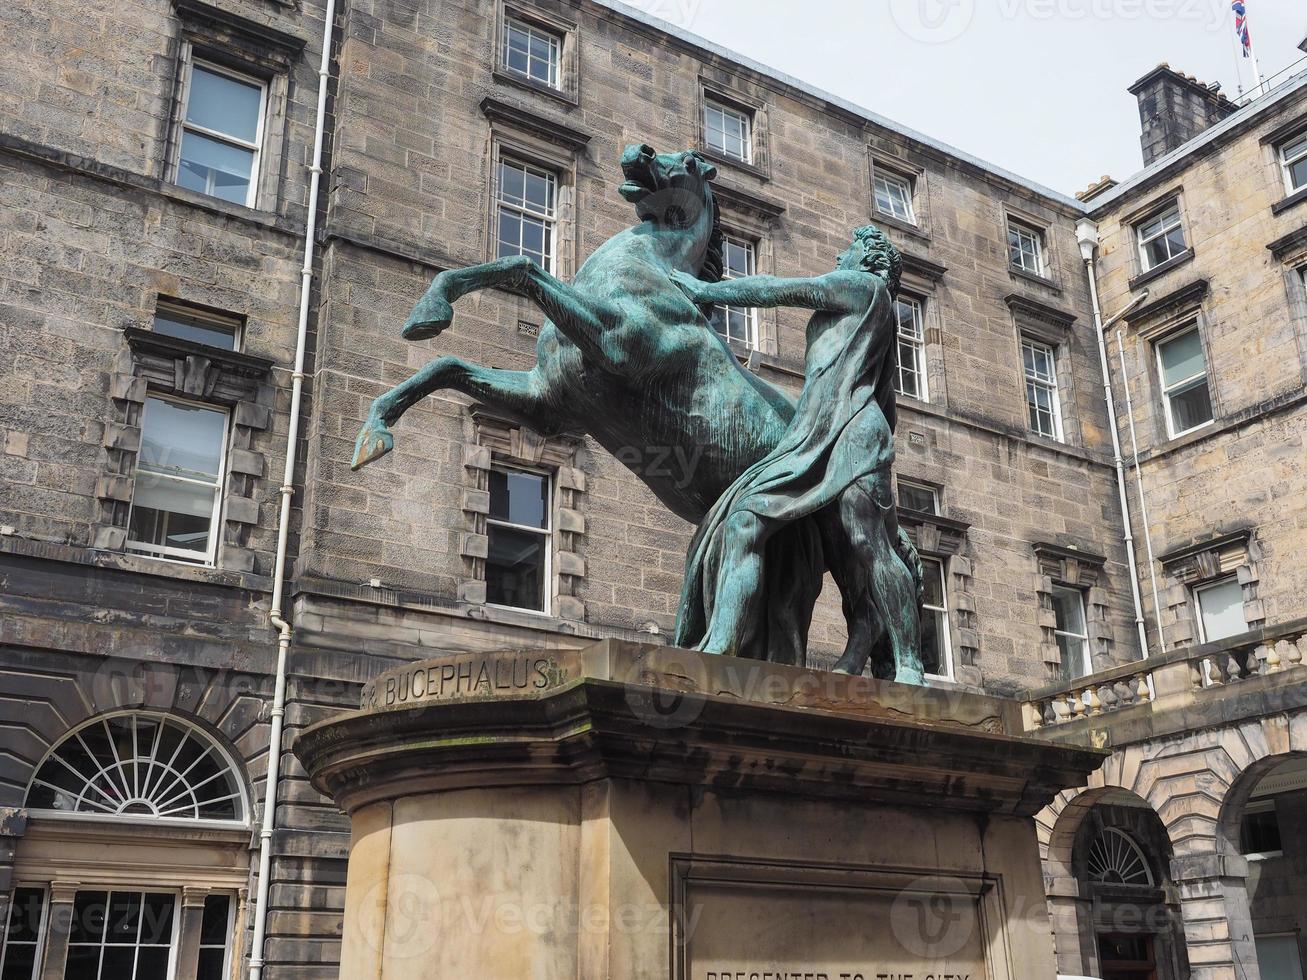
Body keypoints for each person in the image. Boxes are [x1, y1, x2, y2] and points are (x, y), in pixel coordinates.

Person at [669, 225, 924, 682]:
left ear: (870, 260)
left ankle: (909, 664)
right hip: (813, 436)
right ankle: (721, 645)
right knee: (745, 518)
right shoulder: (870, 312)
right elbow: (888, 400)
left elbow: (783, 289)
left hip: (852, 433)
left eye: (850, 249)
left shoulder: (865, 286)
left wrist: (704, 288)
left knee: (868, 545)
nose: (840, 253)